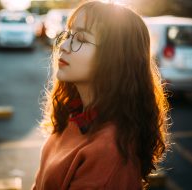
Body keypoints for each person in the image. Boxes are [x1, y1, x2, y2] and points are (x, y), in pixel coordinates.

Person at [33, 0, 170, 189]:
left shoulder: (109, 153)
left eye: (80, 39)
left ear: (115, 58)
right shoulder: (75, 115)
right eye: (68, 35)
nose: (64, 46)